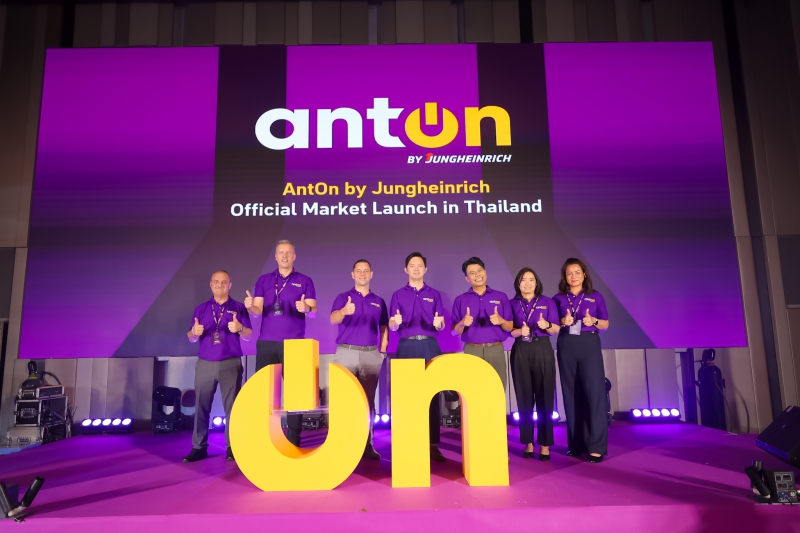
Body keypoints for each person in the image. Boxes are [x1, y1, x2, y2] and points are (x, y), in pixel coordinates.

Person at [246, 240, 316, 447]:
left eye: (288, 252)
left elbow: (313, 312)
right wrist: (250, 307)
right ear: (275, 257)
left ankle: (294, 438)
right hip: (267, 342)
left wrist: (306, 308)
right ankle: (266, 436)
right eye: (281, 253)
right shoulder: (264, 280)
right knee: (265, 391)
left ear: (294, 256)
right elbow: (257, 311)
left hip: (295, 344)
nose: (285, 256)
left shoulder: (305, 280)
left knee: (296, 393)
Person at [183, 270, 252, 463]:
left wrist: (240, 328)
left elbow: (248, 335)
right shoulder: (201, 309)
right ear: (210, 284)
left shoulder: (239, 307)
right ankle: (199, 447)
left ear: (230, 285)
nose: (219, 285)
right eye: (216, 281)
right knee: (201, 406)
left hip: (230, 363)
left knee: (233, 408)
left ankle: (232, 446)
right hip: (205, 363)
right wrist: (194, 333)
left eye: (223, 282)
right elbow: (190, 336)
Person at [389, 252, 448, 462]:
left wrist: (439, 324)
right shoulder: (398, 294)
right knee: (407, 395)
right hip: (407, 345)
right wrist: (394, 323)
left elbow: (441, 323)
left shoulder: (434, 294)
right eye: (412, 266)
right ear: (406, 269)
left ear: (425, 269)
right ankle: (409, 441)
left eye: (420, 265)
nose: (416, 269)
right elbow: (392, 324)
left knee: (432, 395)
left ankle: (432, 444)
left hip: (430, 345)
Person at [330, 259, 389, 461]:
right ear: (352, 274)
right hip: (346, 352)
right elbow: (333, 319)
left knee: (367, 402)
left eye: (366, 271)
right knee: (344, 400)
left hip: (371, 354)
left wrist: (382, 352)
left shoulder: (379, 301)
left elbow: (384, 328)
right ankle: (343, 444)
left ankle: (366, 444)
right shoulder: (343, 297)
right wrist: (343, 311)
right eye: (358, 271)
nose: (362, 274)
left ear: (371, 274)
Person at [552, 258, 609, 463]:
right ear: (564, 277)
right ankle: (575, 444)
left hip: (589, 344)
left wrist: (593, 320)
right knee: (570, 394)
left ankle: (596, 447)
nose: (573, 276)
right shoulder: (558, 299)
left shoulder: (596, 296)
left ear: (584, 274)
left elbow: (605, 324)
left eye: (577, 272)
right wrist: (562, 321)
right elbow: (552, 326)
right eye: (569, 273)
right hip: (566, 344)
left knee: (594, 394)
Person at [508, 268, 560, 460]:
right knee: (524, 398)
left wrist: (547, 325)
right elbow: (508, 331)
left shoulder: (548, 302)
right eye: (524, 280)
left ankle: (545, 444)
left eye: (531, 279)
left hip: (542, 348)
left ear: (536, 283)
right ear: (518, 283)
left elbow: (556, 328)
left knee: (545, 397)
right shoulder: (512, 303)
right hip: (521, 349)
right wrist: (518, 332)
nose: (527, 283)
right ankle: (528, 442)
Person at [451, 257, 513, 391]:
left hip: (496, 349)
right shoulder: (460, 299)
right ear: (467, 278)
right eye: (472, 273)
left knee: (497, 389)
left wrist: (501, 321)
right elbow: (454, 332)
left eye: (480, 270)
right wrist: (462, 323)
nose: (477, 275)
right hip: (472, 350)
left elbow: (510, 327)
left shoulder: (501, 296)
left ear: (485, 272)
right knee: (473, 391)